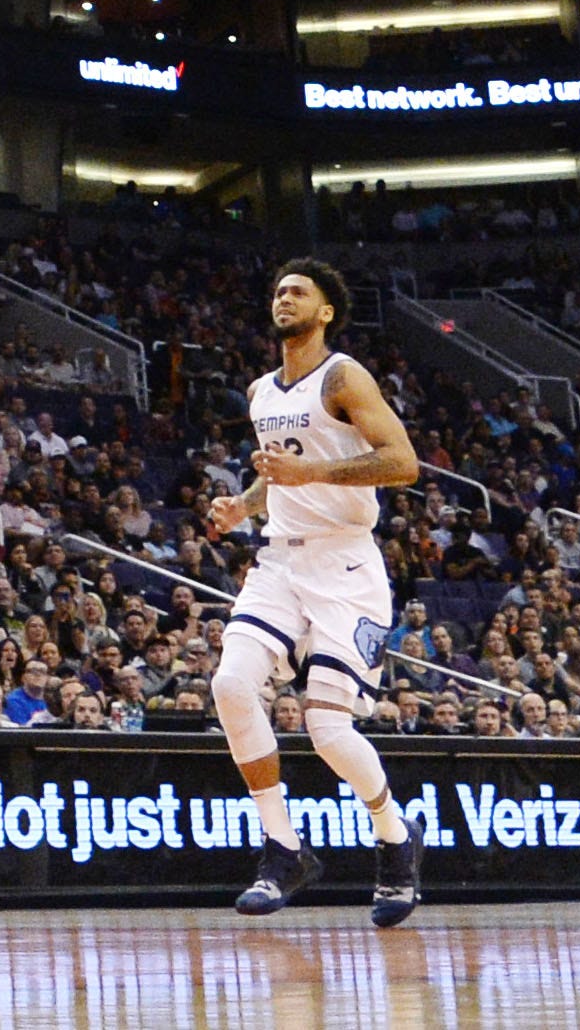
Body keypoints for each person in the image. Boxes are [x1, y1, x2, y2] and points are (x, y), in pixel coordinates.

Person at [207, 259, 425, 927]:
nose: (284, 298)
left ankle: (394, 837)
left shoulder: (342, 375)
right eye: (277, 290)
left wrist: (313, 472)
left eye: (298, 291)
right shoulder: (258, 392)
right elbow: (278, 475)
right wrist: (244, 505)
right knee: (229, 686)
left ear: (325, 310)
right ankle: (283, 848)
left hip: (345, 570)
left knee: (326, 728)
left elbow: (403, 462)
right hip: (277, 564)